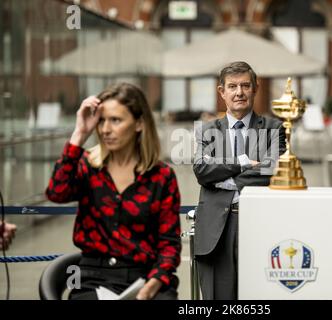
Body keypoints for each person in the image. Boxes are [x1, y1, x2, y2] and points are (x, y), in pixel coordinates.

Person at [46, 83, 181, 300]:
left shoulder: (161, 177)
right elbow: (56, 193)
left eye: (115, 120)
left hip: (144, 279)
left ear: (138, 124)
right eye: (101, 121)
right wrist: (79, 134)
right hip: (93, 278)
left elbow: (169, 245)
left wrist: (153, 283)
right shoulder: (88, 167)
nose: (105, 129)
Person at [193, 61, 286, 300]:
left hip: (260, 224)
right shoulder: (205, 130)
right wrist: (244, 163)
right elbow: (202, 171)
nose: (239, 92)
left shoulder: (274, 128)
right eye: (232, 86)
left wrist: (223, 178)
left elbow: (272, 171)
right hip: (216, 230)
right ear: (221, 92)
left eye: (245, 85)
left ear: (256, 88)